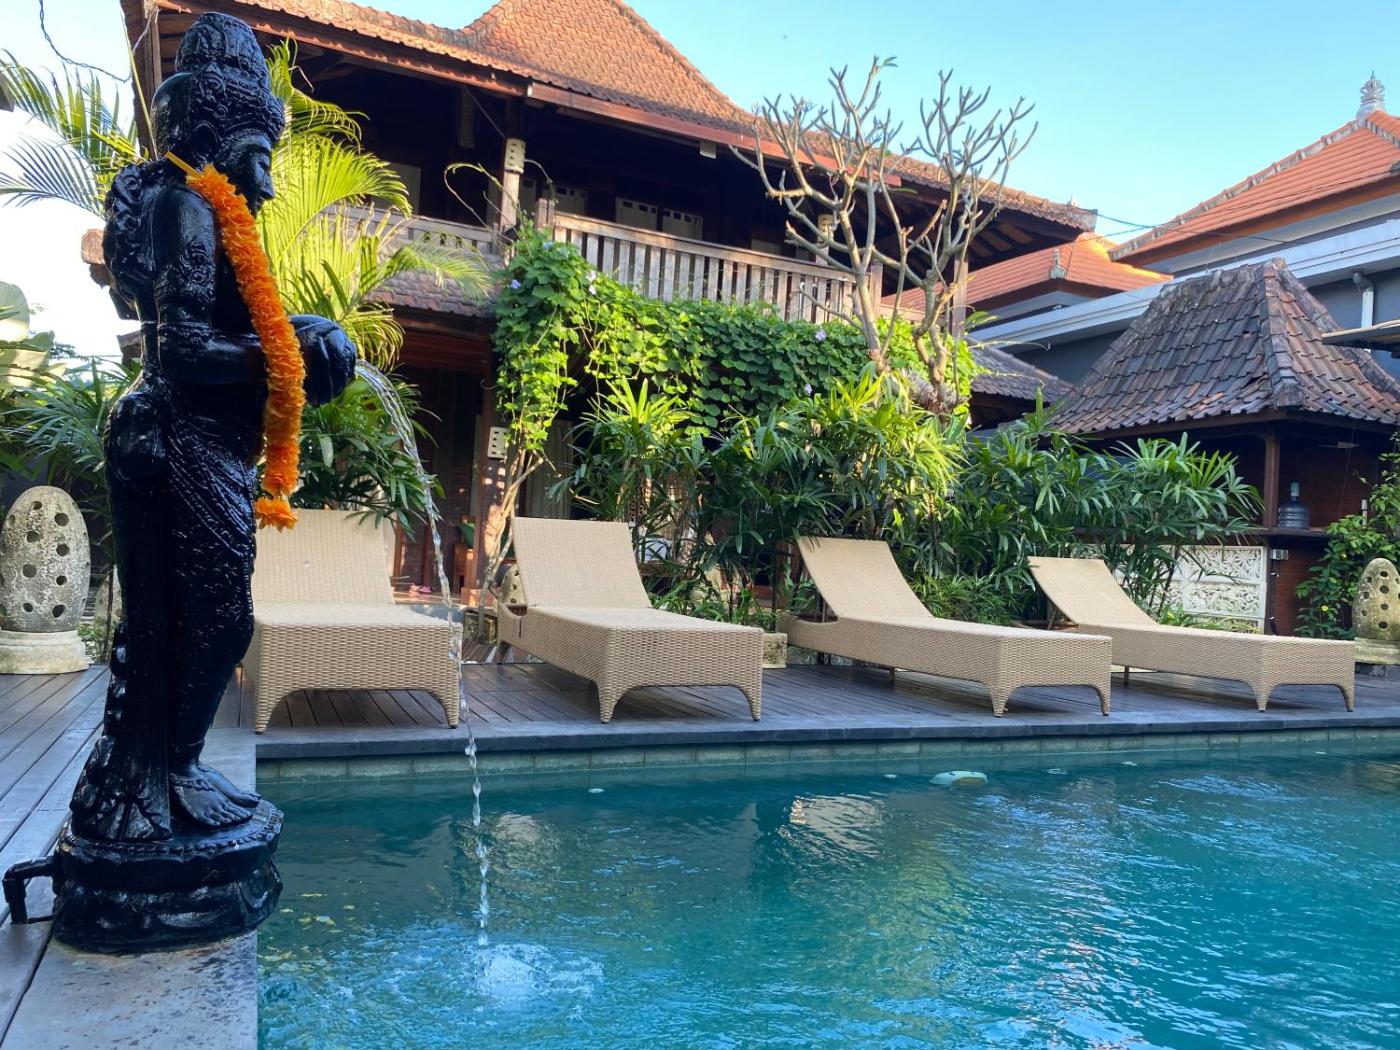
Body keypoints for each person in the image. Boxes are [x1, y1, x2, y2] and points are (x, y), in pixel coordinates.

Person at [69, 12, 355, 842]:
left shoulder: (207, 210)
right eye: (259, 161)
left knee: (194, 621)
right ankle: (165, 776)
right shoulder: (186, 205)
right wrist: (287, 353)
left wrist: (299, 336)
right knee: (208, 621)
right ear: (214, 142)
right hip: (176, 434)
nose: (266, 188)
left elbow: (232, 330)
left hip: (200, 440)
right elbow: (188, 349)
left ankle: (167, 772)